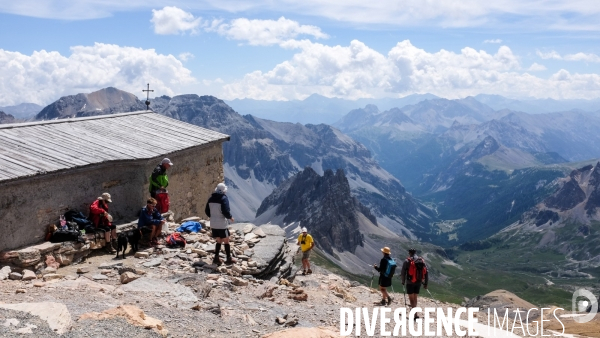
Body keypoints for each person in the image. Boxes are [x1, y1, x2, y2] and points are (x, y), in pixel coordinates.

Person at [205, 183, 236, 265]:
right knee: (226, 240)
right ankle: (229, 258)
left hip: (213, 223)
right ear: (223, 191)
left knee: (218, 240)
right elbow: (225, 211)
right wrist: (230, 217)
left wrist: (213, 216)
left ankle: (216, 258)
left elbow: (207, 211)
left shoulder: (211, 199)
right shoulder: (223, 199)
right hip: (222, 223)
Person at [401, 248, 429, 315]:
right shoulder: (421, 260)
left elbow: (403, 272)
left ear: (409, 252)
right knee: (415, 297)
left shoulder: (407, 261)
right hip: (419, 281)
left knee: (411, 299)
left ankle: (415, 314)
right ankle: (415, 311)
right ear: (415, 252)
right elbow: (426, 272)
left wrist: (403, 281)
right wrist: (426, 283)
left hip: (410, 282)